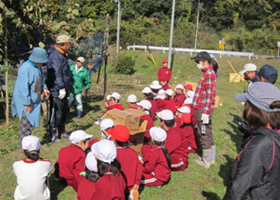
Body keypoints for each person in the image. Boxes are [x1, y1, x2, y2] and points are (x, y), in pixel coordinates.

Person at [223, 82, 280, 199]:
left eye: (246, 105)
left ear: (255, 111)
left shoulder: (259, 147)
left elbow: (237, 191)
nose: (244, 109)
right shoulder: (274, 135)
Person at [11, 47, 50, 151]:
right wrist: (27, 103)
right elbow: (23, 88)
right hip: (25, 101)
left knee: (30, 125)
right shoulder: (25, 68)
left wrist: (44, 88)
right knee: (26, 124)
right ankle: (22, 149)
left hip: (34, 99)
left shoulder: (38, 67)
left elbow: (41, 79)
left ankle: (28, 146)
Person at [191, 51, 217, 169]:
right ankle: (211, 157)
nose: (197, 64)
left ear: (206, 62)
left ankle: (206, 160)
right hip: (202, 108)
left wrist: (206, 112)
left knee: (204, 133)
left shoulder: (209, 74)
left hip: (202, 109)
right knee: (208, 131)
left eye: (199, 62)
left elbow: (209, 95)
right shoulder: (207, 73)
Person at [47, 34, 72, 142]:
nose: (69, 45)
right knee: (56, 111)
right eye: (69, 43)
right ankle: (53, 135)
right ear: (65, 44)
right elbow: (57, 73)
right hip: (57, 89)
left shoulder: (62, 54)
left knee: (63, 111)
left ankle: (62, 132)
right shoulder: (55, 55)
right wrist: (60, 87)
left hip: (64, 88)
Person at [13, 135, 52, 200]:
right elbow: (49, 171)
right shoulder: (46, 163)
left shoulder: (16, 164)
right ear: (40, 150)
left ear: (22, 150)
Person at [108, 125, 142, 198]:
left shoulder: (113, 154)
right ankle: (131, 194)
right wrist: (137, 182)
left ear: (113, 139)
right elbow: (139, 166)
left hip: (118, 186)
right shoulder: (133, 152)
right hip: (131, 185)